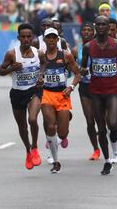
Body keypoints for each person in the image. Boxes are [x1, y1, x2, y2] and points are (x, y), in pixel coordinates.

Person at [81, 15, 117, 175]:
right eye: (99, 25)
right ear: (96, 27)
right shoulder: (88, 47)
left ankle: (115, 140)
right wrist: (83, 71)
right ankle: (107, 160)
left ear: (108, 26)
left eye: (104, 24)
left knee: (112, 125)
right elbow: (84, 67)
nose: (101, 27)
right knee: (101, 129)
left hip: (112, 91)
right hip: (95, 91)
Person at [0, 23, 44, 169]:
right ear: (18, 38)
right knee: (22, 126)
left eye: (28, 36)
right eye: (23, 37)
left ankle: (35, 147)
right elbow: (1, 70)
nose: (26, 39)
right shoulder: (12, 54)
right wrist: (12, 68)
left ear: (32, 37)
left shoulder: (38, 53)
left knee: (32, 119)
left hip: (34, 91)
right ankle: (28, 151)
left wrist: (41, 75)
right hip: (17, 92)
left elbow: (44, 64)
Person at [40, 27, 80, 173]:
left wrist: (70, 88)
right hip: (46, 95)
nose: (51, 40)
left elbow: (77, 74)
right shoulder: (41, 56)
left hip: (62, 96)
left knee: (62, 134)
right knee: (50, 126)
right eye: (48, 38)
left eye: (53, 38)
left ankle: (64, 119)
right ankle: (56, 161)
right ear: (44, 40)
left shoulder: (66, 56)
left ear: (57, 39)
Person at [72, 22, 101, 161]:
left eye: (90, 30)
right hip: (85, 87)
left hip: (100, 87)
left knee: (101, 120)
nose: (87, 32)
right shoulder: (76, 50)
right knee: (90, 120)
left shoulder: (100, 47)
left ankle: (107, 144)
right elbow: (71, 68)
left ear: (94, 32)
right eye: (84, 30)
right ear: (81, 32)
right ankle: (96, 149)